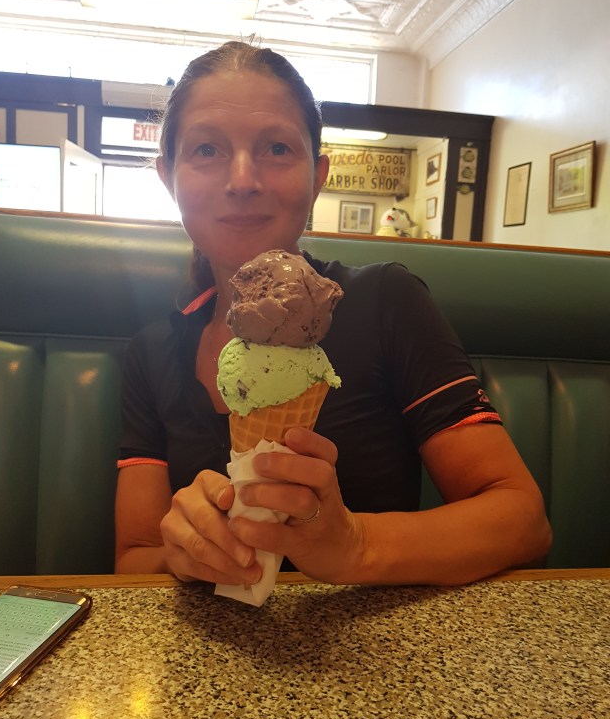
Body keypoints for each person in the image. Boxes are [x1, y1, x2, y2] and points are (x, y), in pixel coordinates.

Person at [115, 41, 552, 587]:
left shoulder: (385, 301)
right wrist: (184, 555)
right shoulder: (152, 352)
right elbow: (133, 558)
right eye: (207, 149)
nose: (243, 180)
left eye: (277, 148)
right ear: (168, 177)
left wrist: (356, 544)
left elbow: (522, 519)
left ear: (318, 176)